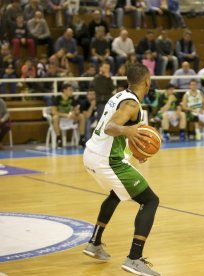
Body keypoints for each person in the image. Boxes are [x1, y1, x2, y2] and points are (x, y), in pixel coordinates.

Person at [82, 64, 161, 276]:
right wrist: (128, 130)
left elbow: (114, 135)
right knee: (151, 201)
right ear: (147, 81)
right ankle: (134, 258)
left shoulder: (121, 96)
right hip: (106, 161)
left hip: (92, 154)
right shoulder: (132, 105)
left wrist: (136, 151)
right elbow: (111, 127)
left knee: (116, 194)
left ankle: (94, 243)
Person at [51, 83, 86, 147]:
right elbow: (54, 112)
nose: (72, 91)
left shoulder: (72, 99)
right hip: (61, 119)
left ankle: (81, 139)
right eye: (70, 90)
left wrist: (76, 112)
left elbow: (77, 110)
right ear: (64, 90)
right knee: (55, 117)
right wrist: (66, 115)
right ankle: (59, 139)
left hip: (70, 118)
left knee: (81, 116)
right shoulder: (57, 98)